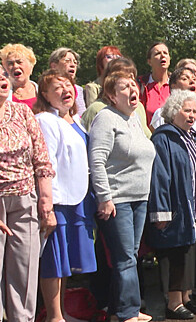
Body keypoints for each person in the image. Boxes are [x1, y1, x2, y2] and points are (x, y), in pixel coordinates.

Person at [147, 90, 196, 320]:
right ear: (172, 112)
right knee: (176, 254)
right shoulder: (163, 138)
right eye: (186, 110)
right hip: (177, 207)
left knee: (191, 254)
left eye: (194, 111)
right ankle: (173, 302)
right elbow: (159, 176)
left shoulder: (193, 136)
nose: (191, 115)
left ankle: (186, 297)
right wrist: (161, 211)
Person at [89, 70, 156, 322]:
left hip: (139, 198)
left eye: (133, 85)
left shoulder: (133, 119)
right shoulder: (106, 118)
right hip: (117, 200)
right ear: (111, 95)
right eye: (125, 87)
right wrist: (104, 198)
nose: (132, 90)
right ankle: (128, 312)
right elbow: (97, 161)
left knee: (130, 254)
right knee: (125, 257)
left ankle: (121, 308)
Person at [34, 69, 97, 322]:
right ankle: (54, 316)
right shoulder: (45, 120)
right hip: (58, 200)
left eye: (68, 85)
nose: (65, 90)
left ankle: (62, 312)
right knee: (53, 261)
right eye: (57, 87)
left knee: (66, 262)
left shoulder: (77, 121)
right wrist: (47, 205)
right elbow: (45, 162)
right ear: (46, 96)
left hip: (78, 199)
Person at [0, 66, 56, 322]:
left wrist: (46, 204)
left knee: (24, 272)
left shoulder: (23, 112)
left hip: (26, 201)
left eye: (2, 74)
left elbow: (41, 160)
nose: (2, 78)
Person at [81, 57, 151, 137]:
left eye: (132, 77)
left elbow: (147, 136)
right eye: (124, 77)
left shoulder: (138, 107)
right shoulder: (96, 109)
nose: (130, 82)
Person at [150, 67, 196, 131]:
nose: (192, 81)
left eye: (194, 79)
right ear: (173, 86)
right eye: (185, 79)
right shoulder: (161, 113)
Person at [137, 42, 171, 123]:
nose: (163, 56)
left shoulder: (176, 84)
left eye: (165, 53)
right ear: (149, 62)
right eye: (157, 53)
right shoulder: (140, 84)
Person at [48, 48, 87, 116]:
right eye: (67, 61)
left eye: (75, 62)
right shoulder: (47, 89)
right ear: (54, 66)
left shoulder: (79, 90)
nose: (73, 65)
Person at [0, 44, 39, 108]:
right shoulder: (2, 93)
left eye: (19, 62)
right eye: (10, 63)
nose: (15, 66)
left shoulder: (44, 93)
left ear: (31, 65)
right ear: (5, 68)